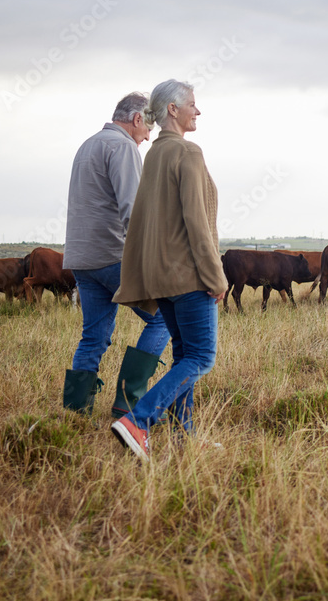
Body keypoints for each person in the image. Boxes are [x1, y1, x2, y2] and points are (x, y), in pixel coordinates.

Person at [111, 79, 228, 461]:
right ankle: (138, 421)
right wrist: (216, 277)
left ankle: (184, 438)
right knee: (201, 358)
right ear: (173, 110)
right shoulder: (187, 152)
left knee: (183, 357)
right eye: (192, 104)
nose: (198, 111)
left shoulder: (154, 154)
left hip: (162, 278)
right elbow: (197, 222)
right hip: (190, 277)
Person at [62, 93, 171, 417]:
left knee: (94, 335)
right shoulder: (122, 146)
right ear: (137, 119)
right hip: (113, 256)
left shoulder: (88, 144)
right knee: (167, 317)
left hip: (81, 259)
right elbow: (132, 211)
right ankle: (129, 402)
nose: (149, 136)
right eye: (148, 127)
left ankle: (75, 410)